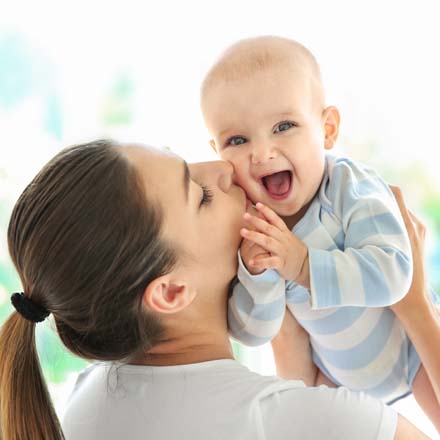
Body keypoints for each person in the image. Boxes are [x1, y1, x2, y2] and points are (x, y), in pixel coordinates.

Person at [0, 139, 433, 439]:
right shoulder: (323, 425)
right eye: (201, 195)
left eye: (186, 162)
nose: (226, 169)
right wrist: (414, 305)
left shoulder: (88, 399)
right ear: (170, 293)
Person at [200, 35, 440, 427]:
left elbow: (396, 271)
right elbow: (254, 333)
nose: (262, 153)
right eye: (238, 140)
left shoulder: (349, 188)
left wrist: (305, 266)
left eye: (283, 126)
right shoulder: (251, 227)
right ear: (217, 151)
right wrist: (256, 276)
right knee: (310, 421)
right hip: (332, 375)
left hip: (411, 352)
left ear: (327, 129)